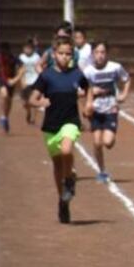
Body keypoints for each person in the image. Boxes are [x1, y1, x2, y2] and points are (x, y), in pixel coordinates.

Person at [28, 36, 89, 223]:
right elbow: (31, 99)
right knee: (57, 166)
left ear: (72, 55)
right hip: (51, 125)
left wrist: (88, 102)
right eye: (61, 53)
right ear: (54, 54)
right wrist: (41, 101)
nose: (64, 57)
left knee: (67, 149)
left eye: (68, 54)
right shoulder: (46, 76)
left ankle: (70, 180)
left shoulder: (76, 74)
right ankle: (63, 202)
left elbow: (88, 88)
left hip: (70, 122)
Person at [81, 41, 131, 183]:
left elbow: (126, 80)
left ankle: (109, 137)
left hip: (111, 108)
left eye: (103, 52)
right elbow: (80, 90)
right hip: (95, 110)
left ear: (107, 54)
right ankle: (102, 171)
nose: (100, 56)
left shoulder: (115, 67)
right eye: (97, 52)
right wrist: (89, 98)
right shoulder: (88, 71)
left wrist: (124, 95)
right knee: (97, 142)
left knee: (108, 143)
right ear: (92, 54)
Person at [0, 42, 19, 133]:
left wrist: (15, 79)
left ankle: (6, 117)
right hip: (1, 80)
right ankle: (2, 116)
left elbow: (22, 68)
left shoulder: (13, 58)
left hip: (11, 81)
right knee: (4, 95)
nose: (2, 52)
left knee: (9, 101)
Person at [18, 38, 41, 125]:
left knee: (35, 100)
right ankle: (28, 112)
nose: (27, 50)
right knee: (25, 102)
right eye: (26, 48)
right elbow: (19, 70)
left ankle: (33, 119)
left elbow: (39, 68)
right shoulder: (21, 57)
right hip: (25, 81)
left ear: (32, 49)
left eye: (29, 48)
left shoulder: (36, 57)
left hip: (35, 80)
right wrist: (21, 81)